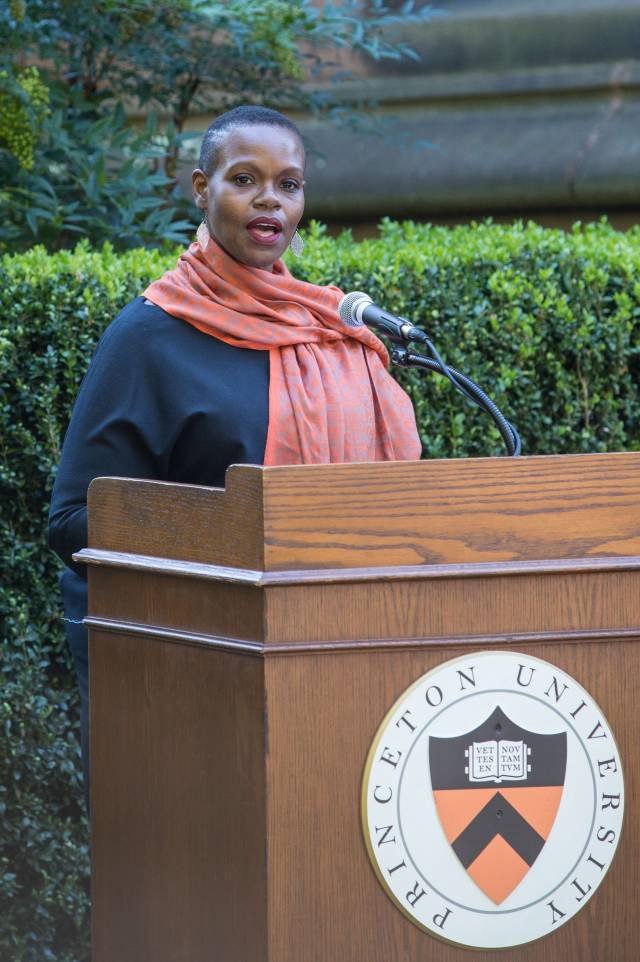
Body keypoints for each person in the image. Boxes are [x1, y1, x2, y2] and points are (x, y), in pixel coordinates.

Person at [49, 105, 422, 796]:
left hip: (335, 657)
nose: (270, 200)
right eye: (245, 178)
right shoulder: (149, 338)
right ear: (202, 188)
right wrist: (228, 529)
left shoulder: (328, 330)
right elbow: (73, 518)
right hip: (190, 673)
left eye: (289, 183)